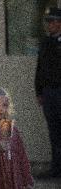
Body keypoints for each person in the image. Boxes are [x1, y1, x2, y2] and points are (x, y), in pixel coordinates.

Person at [35, 7, 61, 177]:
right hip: (50, 92)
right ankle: (57, 168)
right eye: (48, 21)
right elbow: (41, 68)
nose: (50, 24)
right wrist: (39, 90)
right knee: (54, 131)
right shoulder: (46, 42)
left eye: (53, 21)